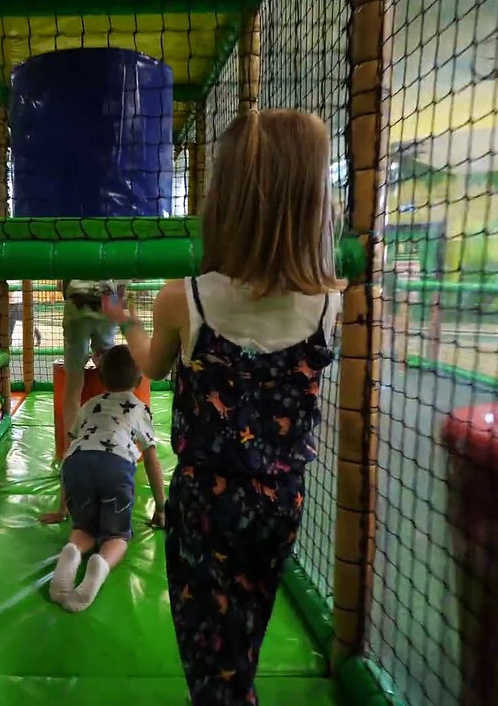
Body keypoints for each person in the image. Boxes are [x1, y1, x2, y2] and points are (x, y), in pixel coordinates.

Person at [100, 109, 343, 706]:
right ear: (311, 204)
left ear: (226, 201)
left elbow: (150, 370)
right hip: (282, 502)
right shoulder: (330, 305)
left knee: (210, 653)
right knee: (247, 632)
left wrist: (124, 318)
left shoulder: (185, 298)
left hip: (207, 501)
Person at [38, 345, 166, 613]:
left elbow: (70, 453)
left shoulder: (89, 404)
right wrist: (162, 509)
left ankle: (73, 550)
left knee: (83, 526)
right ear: (140, 377)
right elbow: (152, 461)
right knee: (116, 534)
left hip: (77, 465)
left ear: (103, 379)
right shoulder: (140, 408)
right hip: (115, 466)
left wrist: (62, 509)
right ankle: (101, 564)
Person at [59, 279, 127, 450]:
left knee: (73, 385)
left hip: (77, 297)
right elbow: (122, 283)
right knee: (110, 373)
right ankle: (111, 442)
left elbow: (63, 279)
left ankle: (72, 450)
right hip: (107, 298)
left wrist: (68, 297)